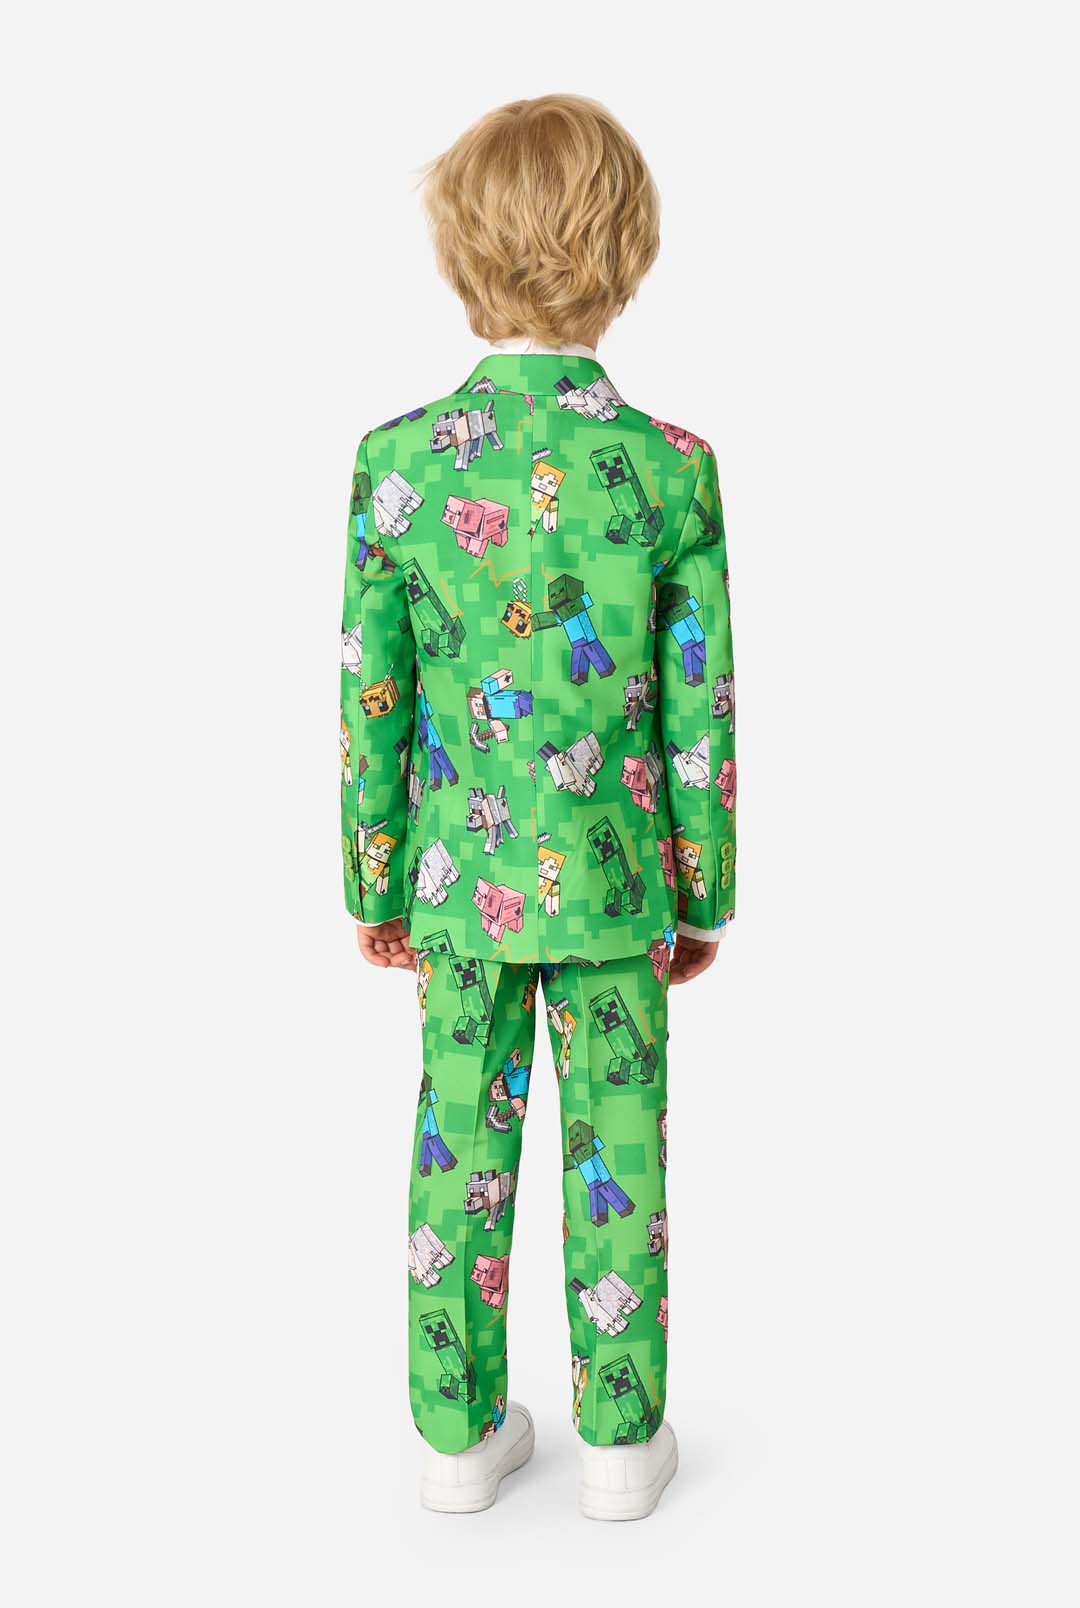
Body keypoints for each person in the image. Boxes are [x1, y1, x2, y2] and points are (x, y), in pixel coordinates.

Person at [339, 94, 735, 1521]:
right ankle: (620, 1449)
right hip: (620, 885)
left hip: (458, 888)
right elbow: (700, 707)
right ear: (627, 258)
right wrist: (705, 887)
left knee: (458, 1145)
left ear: (459, 253)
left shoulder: (400, 463)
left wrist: (375, 878)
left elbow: (372, 693)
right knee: (620, 1151)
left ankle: (456, 1441)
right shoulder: (672, 468)